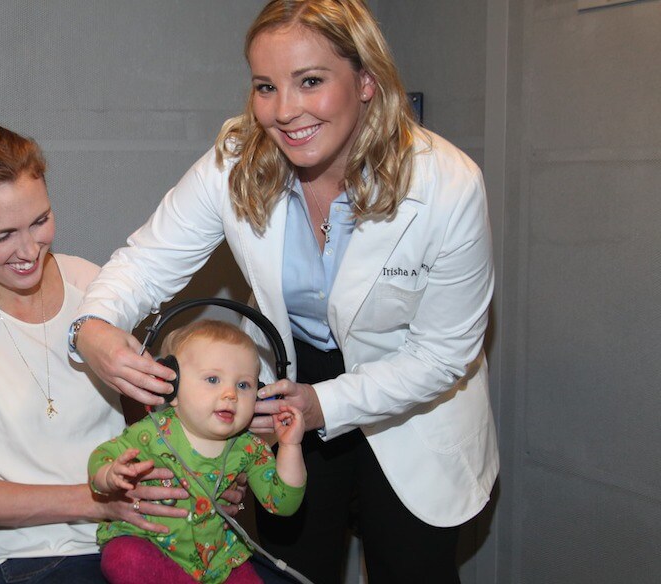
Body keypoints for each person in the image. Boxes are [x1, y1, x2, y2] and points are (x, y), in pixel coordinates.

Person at [69, 1, 499, 582]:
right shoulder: (234, 164)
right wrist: (91, 326)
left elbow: (443, 353)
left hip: (414, 402)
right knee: (292, 570)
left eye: (311, 82)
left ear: (367, 80)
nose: (285, 111)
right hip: (288, 389)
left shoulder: (448, 186)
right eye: (266, 86)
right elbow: (145, 263)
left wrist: (327, 403)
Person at [0, 124, 204, 583]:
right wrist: (92, 499)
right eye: (2, 235)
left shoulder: (90, 283)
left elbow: (153, 429)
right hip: (25, 557)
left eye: (40, 221)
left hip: (128, 538)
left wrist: (207, 470)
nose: (29, 251)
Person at [88, 320, 307, 584]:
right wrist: (108, 474)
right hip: (152, 547)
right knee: (123, 558)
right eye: (213, 379)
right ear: (173, 387)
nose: (230, 394)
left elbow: (282, 504)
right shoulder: (151, 433)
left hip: (219, 560)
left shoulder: (249, 448)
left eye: (244, 385)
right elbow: (102, 457)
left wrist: (290, 446)